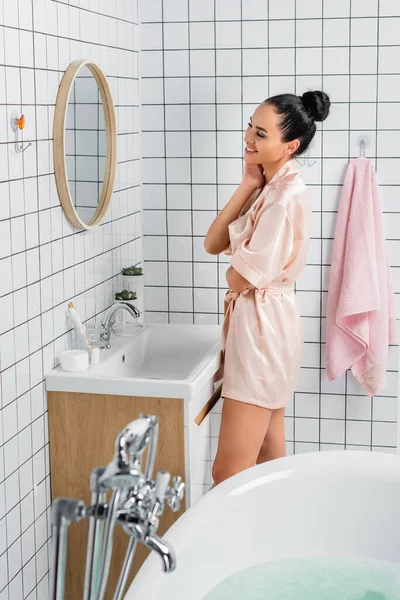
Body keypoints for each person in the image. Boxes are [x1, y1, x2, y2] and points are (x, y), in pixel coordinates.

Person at [204, 91, 331, 487]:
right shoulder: (268, 186)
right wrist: (247, 182)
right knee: (269, 460)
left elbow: (238, 278)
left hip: (262, 333)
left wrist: (235, 270)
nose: (249, 138)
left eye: (261, 133)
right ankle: (277, 541)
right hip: (268, 328)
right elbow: (212, 244)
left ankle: (242, 547)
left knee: (228, 471)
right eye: (250, 126)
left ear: (290, 146)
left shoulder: (284, 196)